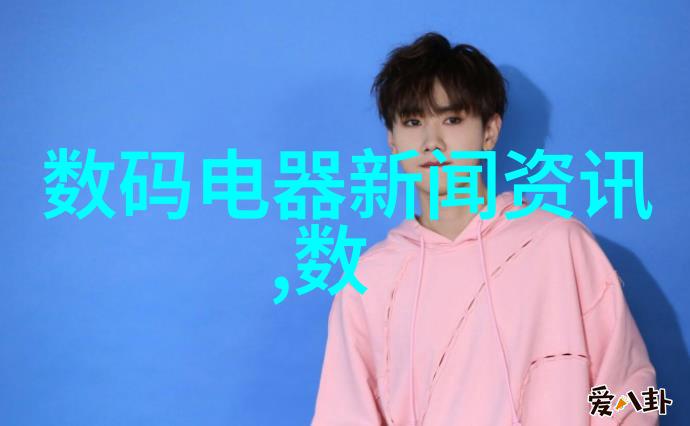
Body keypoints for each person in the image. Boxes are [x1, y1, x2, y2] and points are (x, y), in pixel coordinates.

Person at [311, 32, 658, 425]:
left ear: (489, 131)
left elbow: (636, 392)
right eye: (412, 121)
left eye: (452, 119)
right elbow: (342, 415)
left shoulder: (558, 245)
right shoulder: (369, 280)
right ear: (392, 140)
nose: (431, 142)